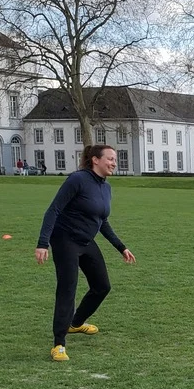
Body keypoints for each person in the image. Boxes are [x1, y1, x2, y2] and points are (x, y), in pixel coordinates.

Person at [35, 145, 136, 363]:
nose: (114, 163)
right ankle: (58, 344)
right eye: (110, 159)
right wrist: (43, 243)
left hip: (85, 241)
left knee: (102, 286)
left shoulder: (106, 188)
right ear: (95, 160)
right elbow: (53, 210)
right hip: (64, 240)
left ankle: (76, 323)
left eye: (115, 159)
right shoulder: (77, 180)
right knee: (67, 289)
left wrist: (121, 247)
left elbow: (102, 222)